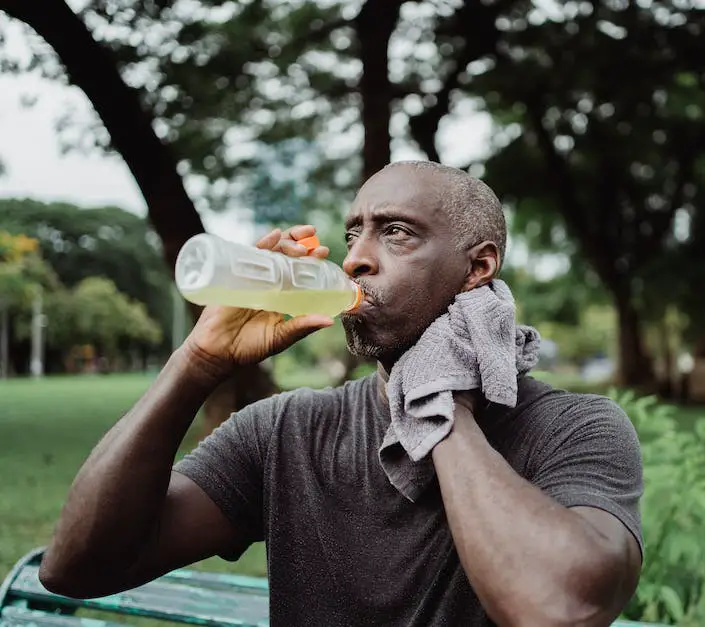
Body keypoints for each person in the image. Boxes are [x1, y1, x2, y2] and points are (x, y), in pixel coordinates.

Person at [39, 161, 645, 626]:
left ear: (477, 269)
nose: (356, 258)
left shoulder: (576, 429)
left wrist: (436, 400)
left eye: (397, 233)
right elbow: (76, 568)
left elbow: (559, 607)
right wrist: (195, 364)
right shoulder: (285, 431)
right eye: (354, 233)